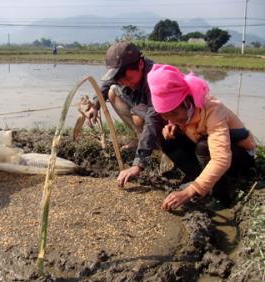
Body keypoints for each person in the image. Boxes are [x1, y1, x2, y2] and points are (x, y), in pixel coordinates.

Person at [147, 64, 256, 210]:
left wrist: (188, 192)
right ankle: (198, 180)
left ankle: (221, 196)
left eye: (173, 114)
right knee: (167, 139)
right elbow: (172, 117)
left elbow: (221, 159)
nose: (170, 118)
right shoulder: (180, 112)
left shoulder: (213, 111)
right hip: (205, 148)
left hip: (238, 157)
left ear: (186, 102)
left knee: (204, 146)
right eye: (165, 115)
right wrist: (172, 123)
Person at [86, 41, 166, 186]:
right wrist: (95, 105)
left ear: (140, 64)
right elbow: (108, 83)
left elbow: (154, 118)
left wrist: (138, 165)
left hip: (163, 117)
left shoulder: (155, 79)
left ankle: (161, 146)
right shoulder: (122, 75)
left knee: (152, 123)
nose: (125, 83)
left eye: (128, 79)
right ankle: (140, 137)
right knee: (112, 91)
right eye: (120, 79)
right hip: (142, 107)